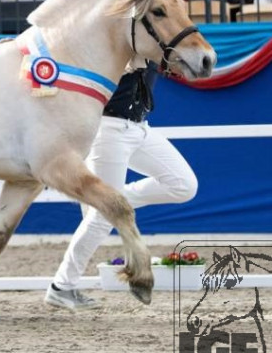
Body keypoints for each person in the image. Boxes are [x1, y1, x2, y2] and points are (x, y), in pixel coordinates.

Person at [45, 62, 198, 311]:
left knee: (183, 185)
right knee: (102, 218)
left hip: (140, 127)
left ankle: (110, 202)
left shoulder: (151, 39)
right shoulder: (123, 34)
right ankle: (62, 287)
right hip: (110, 128)